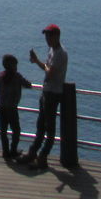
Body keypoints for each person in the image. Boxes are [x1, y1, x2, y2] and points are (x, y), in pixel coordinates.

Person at [18, 24, 68, 168]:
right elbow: (47, 68)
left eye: (49, 35)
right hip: (47, 91)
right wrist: (37, 62)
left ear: (57, 36)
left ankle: (42, 157)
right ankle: (34, 153)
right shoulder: (52, 50)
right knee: (41, 125)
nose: (47, 38)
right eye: (46, 35)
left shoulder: (60, 53)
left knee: (48, 127)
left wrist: (38, 61)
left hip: (53, 93)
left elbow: (50, 72)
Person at [0, 54, 33, 160]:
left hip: (1, 107)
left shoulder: (1, 75)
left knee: (3, 130)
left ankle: (5, 151)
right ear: (13, 66)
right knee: (16, 130)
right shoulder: (17, 77)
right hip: (11, 108)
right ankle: (13, 150)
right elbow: (28, 85)